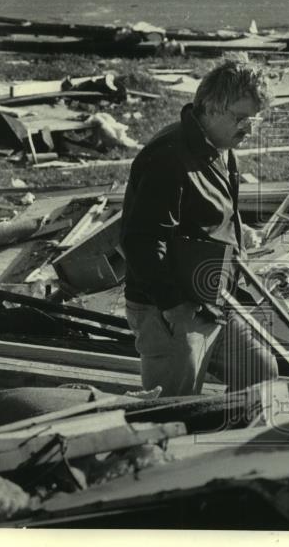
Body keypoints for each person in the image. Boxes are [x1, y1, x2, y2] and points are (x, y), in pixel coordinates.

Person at [119, 60, 279, 397]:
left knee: (261, 371)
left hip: (212, 297)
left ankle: (243, 441)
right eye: (241, 118)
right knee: (175, 403)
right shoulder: (168, 158)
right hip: (170, 306)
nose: (248, 129)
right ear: (209, 108)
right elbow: (140, 242)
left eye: (254, 119)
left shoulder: (220, 149)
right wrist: (174, 307)